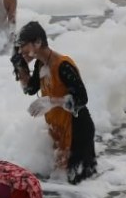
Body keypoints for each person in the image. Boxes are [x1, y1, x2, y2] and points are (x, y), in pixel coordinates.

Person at [15, 22, 97, 184]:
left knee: (80, 186)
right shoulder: (40, 64)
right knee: (61, 184)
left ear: (37, 42)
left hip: (78, 130)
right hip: (59, 130)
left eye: (23, 46)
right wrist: (20, 66)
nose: (20, 50)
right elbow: (29, 89)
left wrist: (52, 101)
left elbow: (82, 98)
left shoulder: (62, 65)